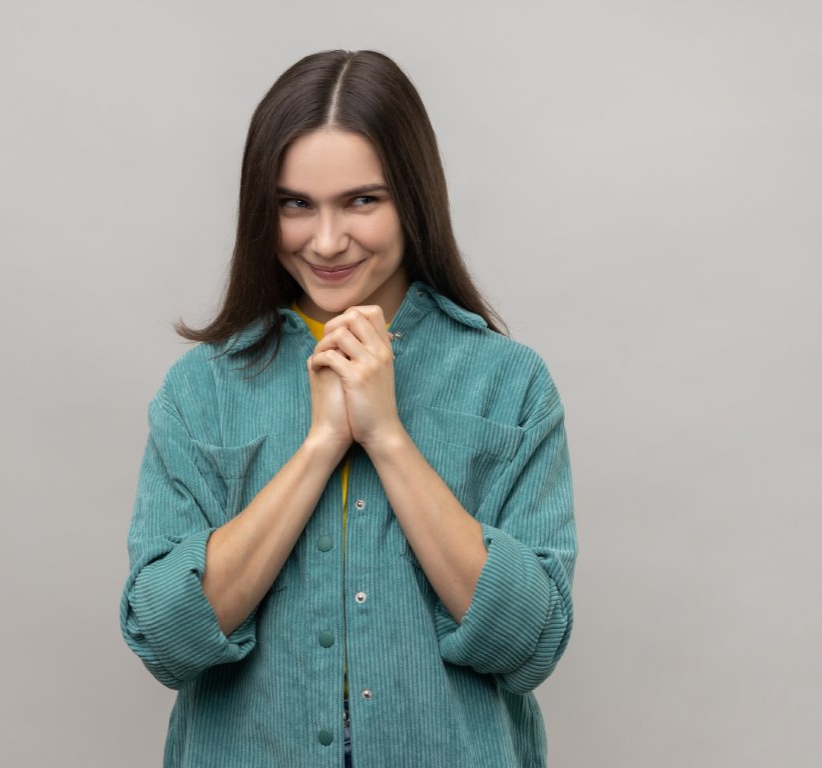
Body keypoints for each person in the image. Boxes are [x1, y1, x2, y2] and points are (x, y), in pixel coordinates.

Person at [120, 49, 576, 768]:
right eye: (295, 204)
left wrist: (388, 437)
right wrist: (320, 446)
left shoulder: (510, 384)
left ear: (414, 196)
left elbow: (530, 644)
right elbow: (166, 639)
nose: (326, 241)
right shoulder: (200, 391)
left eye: (362, 200)